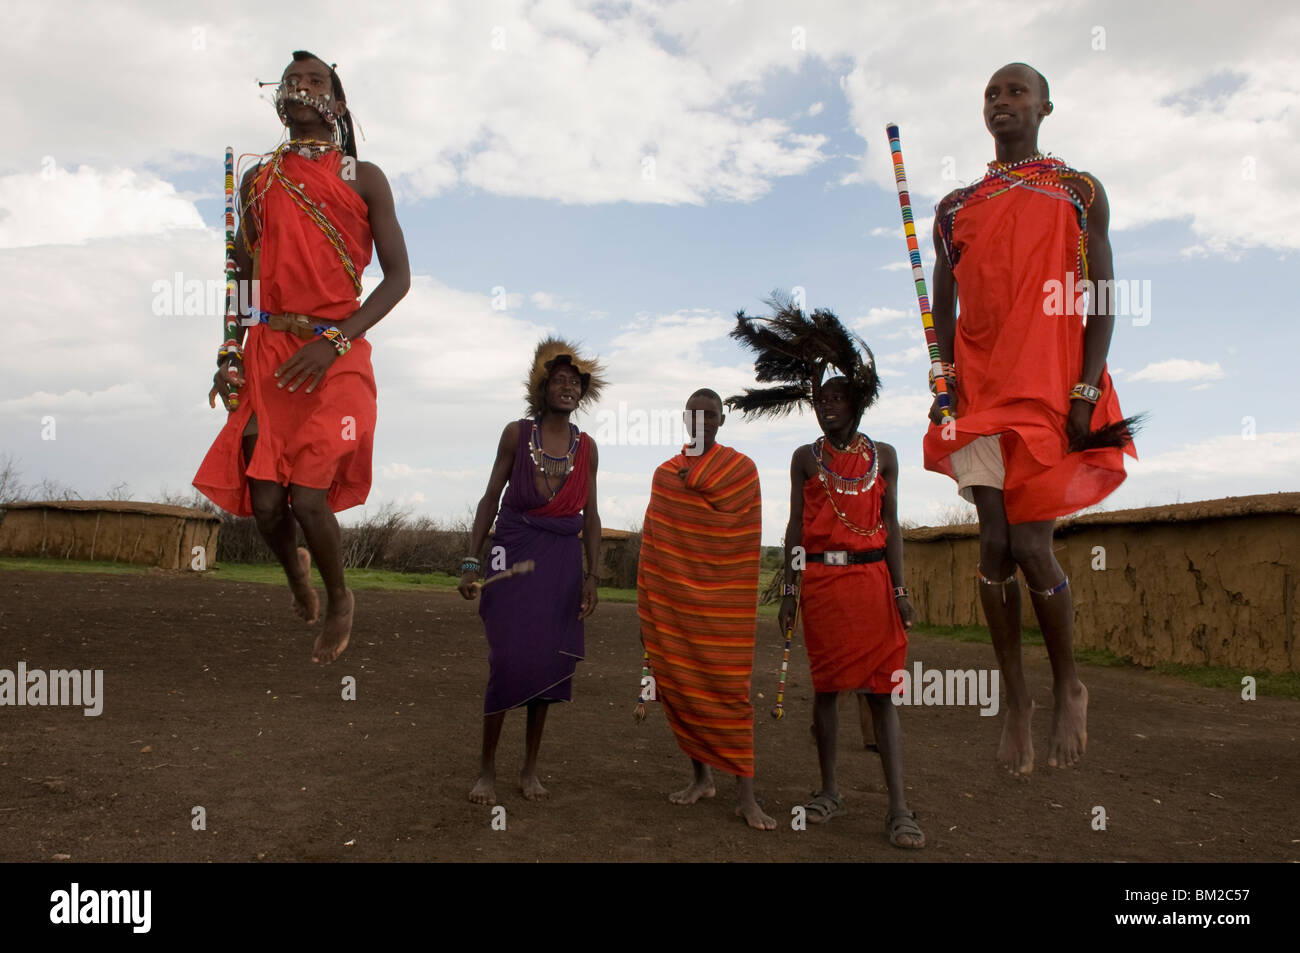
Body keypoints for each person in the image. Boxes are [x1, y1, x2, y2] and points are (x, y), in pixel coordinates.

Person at [925, 63, 1140, 773]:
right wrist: (945, 377)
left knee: (1029, 543)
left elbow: (1102, 296)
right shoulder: (956, 206)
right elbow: (944, 307)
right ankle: (1016, 699)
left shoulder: (1078, 192)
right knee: (991, 542)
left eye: (1017, 91)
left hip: (1051, 389)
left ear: (1046, 105)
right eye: (991, 92)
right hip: (979, 392)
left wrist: (1085, 389)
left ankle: (1067, 683)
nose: (1002, 101)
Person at [195, 51, 410, 665]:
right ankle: (297, 576)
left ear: (337, 105)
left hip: (337, 349)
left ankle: (341, 597)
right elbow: (241, 277)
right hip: (269, 351)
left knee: (308, 498)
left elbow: (397, 280)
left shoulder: (363, 177)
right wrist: (229, 351)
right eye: (294, 79)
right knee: (265, 505)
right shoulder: (258, 181)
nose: (301, 86)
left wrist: (333, 342)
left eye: (316, 80)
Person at [730, 298, 924, 848]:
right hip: (823, 585)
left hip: (873, 586)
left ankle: (899, 808)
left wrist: (901, 589)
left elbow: (892, 527)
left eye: (838, 399)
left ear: (857, 402)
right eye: (821, 400)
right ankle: (829, 790)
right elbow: (794, 530)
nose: (827, 407)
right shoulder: (804, 458)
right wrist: (790, 592)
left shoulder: (883, 455)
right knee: (828, 691)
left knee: (883, 694)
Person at [459, 339, 603, 805]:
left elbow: (593, 517)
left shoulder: (588, 448)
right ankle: (486, 769)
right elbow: (488, 499)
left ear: (581, 393)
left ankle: (530, 769)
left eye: (574, 382)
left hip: (561, 562)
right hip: (512, 551)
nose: (567, 387)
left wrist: (592, 575)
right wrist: (470, 559)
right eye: (558, 381)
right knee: (508, 660)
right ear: (541, 390)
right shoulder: (516, 435)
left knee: (547, 663)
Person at [637, 388, 775, 831]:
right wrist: (652, 610)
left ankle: (747, 798)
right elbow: (655, 547)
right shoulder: (666, 475)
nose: (703, 421)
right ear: (684, 419)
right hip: (676, 609)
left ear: (721, 420)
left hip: (724, 609)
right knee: (681, 688)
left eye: (711, 414)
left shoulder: (741, 472)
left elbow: (744, 541)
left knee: (732, 696)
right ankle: (702, 780)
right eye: (695, 414)